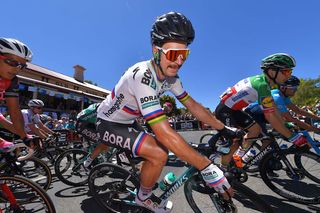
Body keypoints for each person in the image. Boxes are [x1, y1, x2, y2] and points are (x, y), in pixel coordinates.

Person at [96, 11, 241, 212]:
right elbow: (163, 132)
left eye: (184, 54)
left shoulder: (172, 78)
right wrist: (205, 166)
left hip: (129, 122)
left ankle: (144, 177)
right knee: (158, 153)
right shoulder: (142, 75)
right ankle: (143, 197)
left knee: (155, 155)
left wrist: (223, 128)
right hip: (109, 123)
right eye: (174, 54)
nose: (179, 61)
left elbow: (194, 106)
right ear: (156, 50)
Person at [215, 53, 308, 171]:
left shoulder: (266, 84)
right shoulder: (262, 85)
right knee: (235, 140)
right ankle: (223, 170)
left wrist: (284, 124)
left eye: (290, 72)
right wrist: (292, 137)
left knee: (256, 130)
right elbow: (270, 116)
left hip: (235, 110)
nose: (288, 75)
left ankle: (238, 156)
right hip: (225, 111)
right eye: (286, 72)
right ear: (272, 72)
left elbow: (273, 108)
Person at [246, 76, 320, 136]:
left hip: (263, 114)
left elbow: (298, 110)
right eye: (293, 88)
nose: (295, 90)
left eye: (296, 88)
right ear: (283, 87)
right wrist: (316, 130)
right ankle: (244, 153)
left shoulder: (284, 96)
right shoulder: (277, 97)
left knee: (271, 139)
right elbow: (291, 119)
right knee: (266, 138)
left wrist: (318, 118)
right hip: (254, 113)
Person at [0, 38, 34, 152]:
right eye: (12, 62)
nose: (16, 69)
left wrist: (24, 136)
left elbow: (14, 111)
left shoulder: (12, 81)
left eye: (21, 66)